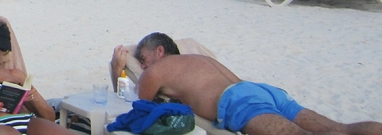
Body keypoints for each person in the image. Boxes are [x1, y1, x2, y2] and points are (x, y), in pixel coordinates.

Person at [130, 33, 381, 135]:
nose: (142, 66)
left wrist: (118, 64)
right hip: (261, 91)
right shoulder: (198, 59)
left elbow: (138, 107)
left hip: (239, 102)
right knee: (343, 129)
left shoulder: (158, 70)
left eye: (143, 58)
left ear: (160, 51)